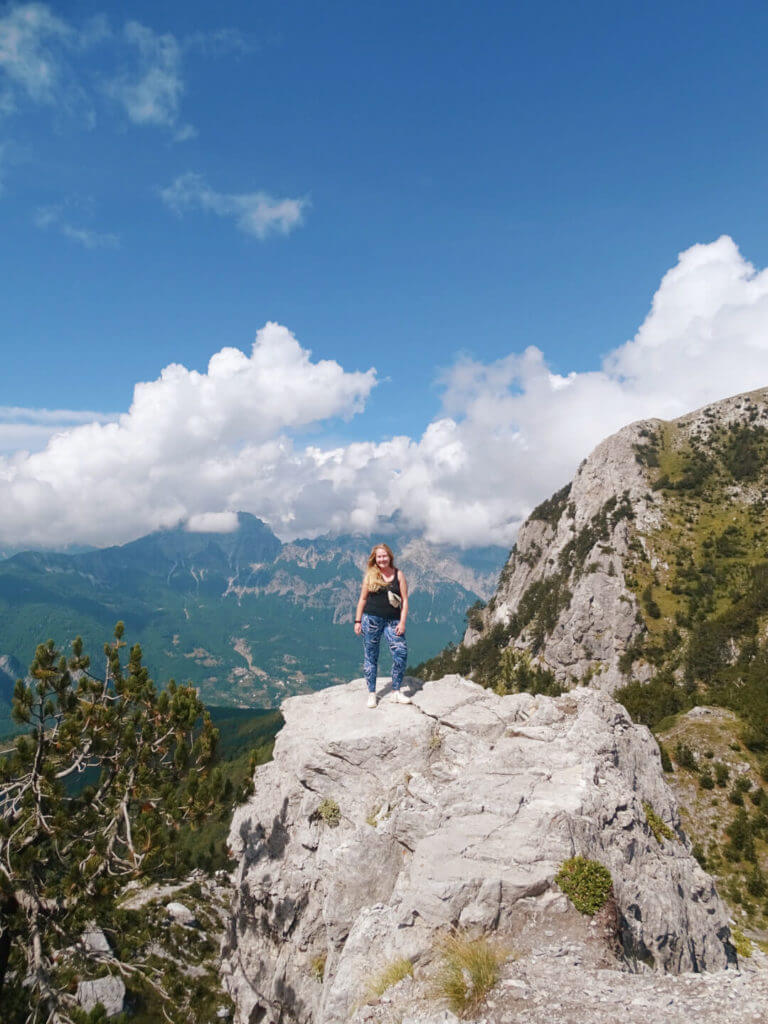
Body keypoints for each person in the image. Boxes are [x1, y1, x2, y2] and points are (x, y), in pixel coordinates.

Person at [354, 543, 411, 708]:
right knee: (371, 656)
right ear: (375, 559)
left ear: (390, 557)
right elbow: (362, 599)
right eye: (379, 556)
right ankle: (372, 694)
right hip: (371, 619)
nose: (382, 559)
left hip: (393, 620)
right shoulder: (370, 576)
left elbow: (405, 600)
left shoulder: (398, 575)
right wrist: (357, 621)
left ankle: (396, 691)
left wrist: (402, 622)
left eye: (384, 556)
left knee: (401, 652)